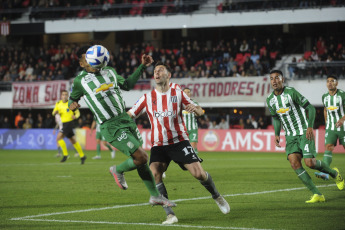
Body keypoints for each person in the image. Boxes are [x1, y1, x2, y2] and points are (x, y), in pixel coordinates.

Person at [68, 45, 175, 208]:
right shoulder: (80, 81)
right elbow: (72, 99)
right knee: (142, 157)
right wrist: (72, 105)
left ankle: (155, 196)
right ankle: (117, 170)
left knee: (140, 160)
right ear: (82, 64)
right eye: (87, 58)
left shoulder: (109, 71)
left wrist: (142, 67)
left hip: (125, 119)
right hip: (110, 125)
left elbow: (127, 85)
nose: (91, 60)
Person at [128, 62, 230, 225]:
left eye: (161, 70)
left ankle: (216, 195)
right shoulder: (147, 98)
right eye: (155, 71)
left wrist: (195, 109)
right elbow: (130, 114)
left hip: (179, 141)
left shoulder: (178, 93)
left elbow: (199, 110)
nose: (157, 72)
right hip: (158, 144)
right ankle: (170, 214)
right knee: (155, 174)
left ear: (168, 75)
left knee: (198, 174)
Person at [266, 70, 344, 203]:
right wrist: (277, 134)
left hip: (303, 132)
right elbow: (276, 118)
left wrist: (309, 127)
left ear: (282, 80)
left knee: (310, 163)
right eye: (272, 78)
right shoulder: (270, 100)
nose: (274, 81)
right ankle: (317, 194)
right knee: (294, 164)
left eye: (277, 78)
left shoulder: (291, 93)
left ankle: (335, 174)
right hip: (290, 136)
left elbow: (311, 109)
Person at [315, 75, 345, 180]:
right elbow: (325, 109)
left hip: (343, 127)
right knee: (328, 147)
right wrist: (327, 121)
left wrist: (342, 120)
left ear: (336, 83)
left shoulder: (342, 95)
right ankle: (325, 172)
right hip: (331, 128)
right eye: (328, 81)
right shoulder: (325, 97)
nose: (330, 83)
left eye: (332, 81)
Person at [52, 90, 86, 164]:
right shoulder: (58, 104)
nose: (64, 96)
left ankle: (65, 155)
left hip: (69, 123)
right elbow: (53, 112)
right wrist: (55, 112)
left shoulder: (70, 103)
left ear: (67, 96)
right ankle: (82, 156)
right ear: (61, 96)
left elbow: (77, 113)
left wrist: (75, 116)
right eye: (63, 94)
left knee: (59, 138)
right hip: (64, 124)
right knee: (73, 140)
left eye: (66, 94)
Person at [182, 87, 204, 155]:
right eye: (185, 92)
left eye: (188, 92)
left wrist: (196, 110)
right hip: (182, 130)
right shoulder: (179, 103)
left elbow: (200, 112)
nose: (187, 93)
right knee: (184, 149)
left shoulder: (194, 103)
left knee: (192, 147)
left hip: (193, 128)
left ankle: (194, 160)